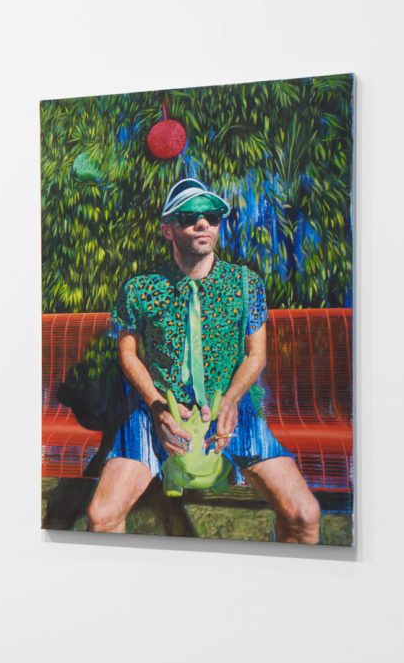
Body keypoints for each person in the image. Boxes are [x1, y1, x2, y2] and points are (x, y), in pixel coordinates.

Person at [85, 176, 321, 543]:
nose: (202, 223)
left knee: (304, 516)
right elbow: (127, 353)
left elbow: (256, 353)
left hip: (230, 411)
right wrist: (157, 406)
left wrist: (231, 399)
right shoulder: (140, 288)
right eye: (188, 217)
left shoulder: (245, 284)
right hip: (156, 412)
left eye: (211, 216)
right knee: (101, 517)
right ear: (167, 230)